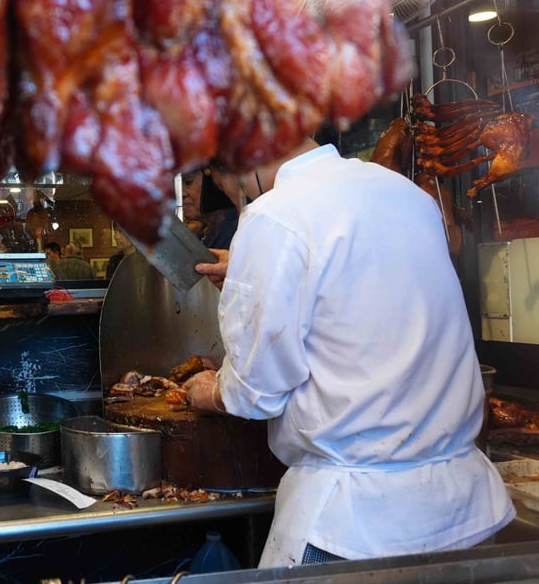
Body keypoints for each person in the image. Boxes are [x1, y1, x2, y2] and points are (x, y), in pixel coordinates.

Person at [184, 136, 514, 568]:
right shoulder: (408, 195)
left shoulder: (273, 215)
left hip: (353, 528)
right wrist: (255, 267)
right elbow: (365, 292)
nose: (235, 196)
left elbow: (255, 392)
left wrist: (209, 390)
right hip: (466, 516)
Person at [181, 168, 239, 250]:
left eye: (188, 182)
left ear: (213, 181)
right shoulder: (207, 233)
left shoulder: (237, 232)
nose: (182, 193)